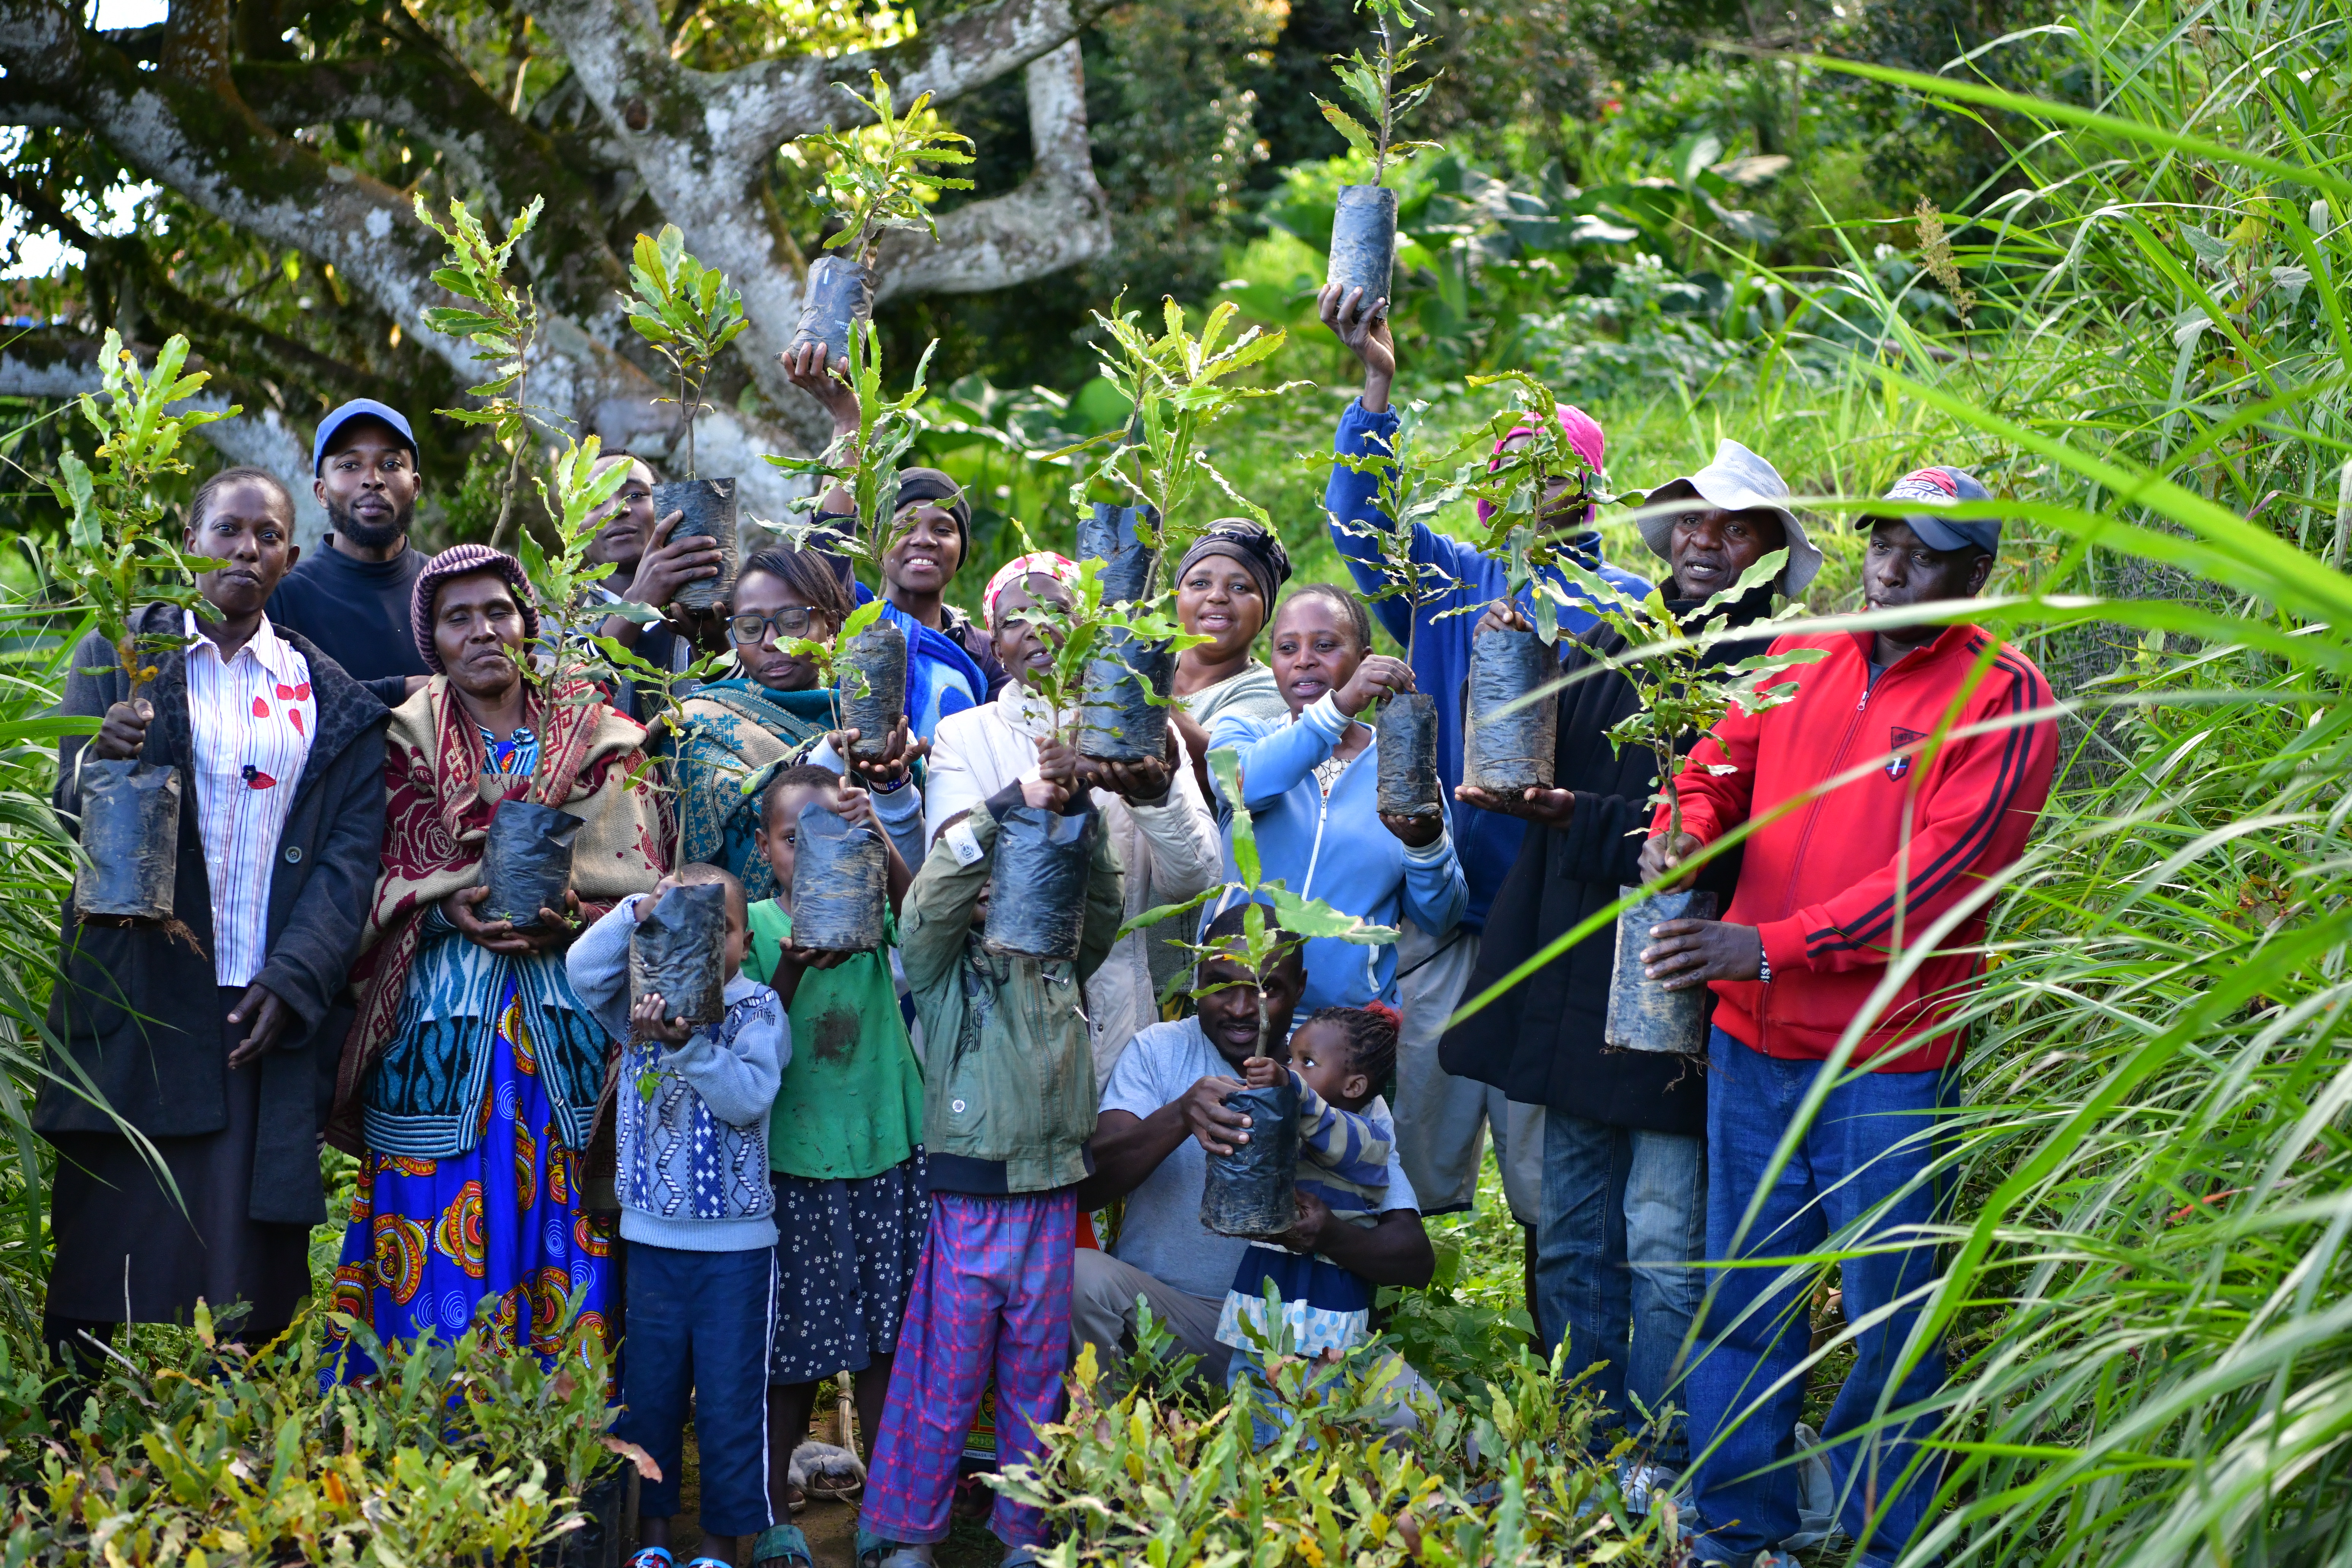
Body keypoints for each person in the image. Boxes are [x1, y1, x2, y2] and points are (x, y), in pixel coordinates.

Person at [1638, 468, 2057, 1568]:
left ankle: (1885, 1548)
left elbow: (1940, 883)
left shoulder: (2007, 698)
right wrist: (1685, 825)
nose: (1891, 568)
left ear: (1975, 574)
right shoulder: (1802, 650)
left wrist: (1765, 944)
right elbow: (1717, 765)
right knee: (1747, 1296)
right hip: (1754, 1045)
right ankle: (1739, 1533)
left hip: (1890, 1061)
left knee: (1891, 1321)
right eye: (1882, 543)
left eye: (1923, 554)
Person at [1442, 443, 1819, 1497]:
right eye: (1694, 523)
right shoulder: (1609, 639)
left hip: (1679, 980)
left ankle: (1658, 1454)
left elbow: (1762, 838)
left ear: (1769, 553)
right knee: (1568, 1230)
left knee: (1661, 1236)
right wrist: (1509, 661)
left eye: (1736, 529)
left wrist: (1594, 822)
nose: (1707, 543)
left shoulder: (1780, 673)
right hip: (1571, 968)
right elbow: (1525, 765)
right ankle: (1583, 1442)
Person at [38, 467, 389, 1374]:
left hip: (255, 1004)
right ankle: (85, 1431)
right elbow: (63, 813)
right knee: (112, 1235)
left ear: (291, 556)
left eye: (267, 535)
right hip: (143, 997)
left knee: (244, 1257)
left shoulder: (326, 691)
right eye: (227, 529)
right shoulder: (122, 655)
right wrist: (99, 761)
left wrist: (298, 972)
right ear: (188, 540)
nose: (246, 548)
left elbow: (353, 856)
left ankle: (234, 1437)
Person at [1319, 283, 1650, 1222]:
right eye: (1507, 467)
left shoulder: (1629, 603)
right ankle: (1399, 1318)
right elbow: (1356, 521)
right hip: (1446, 904)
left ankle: (1560, 1338)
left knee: (1550, 1160)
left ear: (1585, 487)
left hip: (1562, 910)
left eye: (1546, 468)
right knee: (1416, 1124)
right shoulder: (1449, 576)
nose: (1521, 486)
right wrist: (1375, 390)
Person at [321, 544, 666, 1375]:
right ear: (432, 640)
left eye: (498, 613)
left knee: (569, 1207)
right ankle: (429, 1450)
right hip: (439, 1031)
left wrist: (578, 916)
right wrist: (443, 905)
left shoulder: (602, 737)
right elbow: (365, 873)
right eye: (457, 618)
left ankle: (565, 1448)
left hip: (566, 1026)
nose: (482, 632)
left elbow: (644, 876)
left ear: (528, 625)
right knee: (433, 1213)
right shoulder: (397, 740)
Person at [857, 749, 1123, 1568]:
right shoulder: (941, 971)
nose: (993, 893)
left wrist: (1081, 820)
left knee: (1038, 1385)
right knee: (945, 1379)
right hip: (970, 1200)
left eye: (1013, 874)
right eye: (984, 879)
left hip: (1050, 1197)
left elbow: (1105, 907)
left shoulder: (1060, 965)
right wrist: (1003, 806)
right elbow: (927, 906)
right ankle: (909, 1537)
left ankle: (1025, 1537)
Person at [1073, 904, 1435, 1384]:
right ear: (1198, 979)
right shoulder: (1159, 1050)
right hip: (1173, 1322)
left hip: (1298, 1338)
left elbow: (1413, 1258)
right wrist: (1181, 1114)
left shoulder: (1335, 1079)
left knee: (1419, 1427)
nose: (1244, 1008)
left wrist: (1329, 1234)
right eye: (1223, 984)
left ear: (1300, 988)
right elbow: (1087, 1188)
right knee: (1078, 1277)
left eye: (1268, 988)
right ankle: (1116, 1441)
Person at [926, 554, 1221, 1083]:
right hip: (998, 1012)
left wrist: (1154, 797)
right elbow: (959, 876)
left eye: (1054, 612)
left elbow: (1196, 881)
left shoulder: (1145, 734)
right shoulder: (962, 736)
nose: (1037, 629)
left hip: (1122, 1019)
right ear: (997, 649)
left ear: (1086, 629)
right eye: (1015, 619)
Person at [569, 864, 787, 1568]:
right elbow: (579, 968)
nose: (699, 939)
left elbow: (747, 1097)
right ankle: (655, 1540)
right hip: (653, 1241)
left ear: (744, 942)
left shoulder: (758, 1011)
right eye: (679, 924)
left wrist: (686, 1045)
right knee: (651, 1399)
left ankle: (722, 1546)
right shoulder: (636, 1002)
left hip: (736, 1251)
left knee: (728, 1404)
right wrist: (640, 908)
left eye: (716, 928)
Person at [740, 762, 923, 1555]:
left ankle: (887, 1517)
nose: (811, 855)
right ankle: (777, 1524)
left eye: (829, 837)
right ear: (765, 849)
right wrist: (793, 962)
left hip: (888, 1147)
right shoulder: (751, 927)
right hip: (797, 1161)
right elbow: (748, 1039)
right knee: (795, 1357)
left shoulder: (873, 911)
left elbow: (924, 918)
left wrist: (876, 835)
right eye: (793, 839)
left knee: (889, 1345)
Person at [1206, 584, 1466, 1013]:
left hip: (1343, 1037)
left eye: (1325, 646)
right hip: (1234, 1009)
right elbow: (1242, 786)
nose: (1304, 660)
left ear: (1365, 661)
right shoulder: (1243, 733)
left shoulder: (1403, 770)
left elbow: (1441, 917)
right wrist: (1340, 707)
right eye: (1287, 647)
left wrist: (1427, 844)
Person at [669, 545, 925, 899]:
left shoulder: (876, 729)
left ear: (831, 626)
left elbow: (919, 882)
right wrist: (828, 757)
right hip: (754, 941)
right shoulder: (699, 722)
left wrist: (891, 787)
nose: (772, 642)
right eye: (750, 627)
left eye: (792, 623)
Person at [781, 344, 1006, 713]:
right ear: (875, 540)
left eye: (944, 530)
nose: (924, 540)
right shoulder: (847, 618)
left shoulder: (984, 653)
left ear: (962, 549)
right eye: (904, 525)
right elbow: (823, 553)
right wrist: (847, 424)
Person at [1216, 1004, 1399, 1394]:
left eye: (1308, 1062)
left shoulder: (1369, 1141)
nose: (1294, 1069)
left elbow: (1329, 1134)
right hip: (1268, 1283)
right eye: (1290, 1059)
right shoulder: (1298, 1129)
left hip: (1325, 1296)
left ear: (1354, 1087)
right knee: (1249, 1381)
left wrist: (1290, 1086)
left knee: (1319, 1398)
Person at [266, 398, 432, 694]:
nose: (372, 480)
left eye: (391, 464)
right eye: (350, 465)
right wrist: (399, 691)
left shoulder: (446, 586)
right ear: (322, 492)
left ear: (415, 486)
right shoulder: (281, 598)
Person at [580, 450, 728, 724]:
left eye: (635, 495)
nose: (618, 509)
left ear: (666, 506)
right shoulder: (550, 630)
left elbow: (760, 712)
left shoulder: (725, 611)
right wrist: (636, 606)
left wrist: (715, 646)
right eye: (596, 500)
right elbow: (555, 713)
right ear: (575, 527)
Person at [1167, 519, 1293, 801]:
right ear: (1178, 596)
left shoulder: (1274, 692)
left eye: (1239, 587)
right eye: (1200, 583)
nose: (1217, 596)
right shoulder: (1148, 662)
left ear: (1265, 610)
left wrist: (1148, 695)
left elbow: (1216, 770)